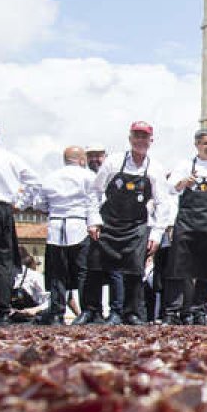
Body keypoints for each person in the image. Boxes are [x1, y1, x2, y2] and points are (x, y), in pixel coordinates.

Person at [80, 121, 168, 326]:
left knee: (134, 270)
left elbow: (163, 203)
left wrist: (156, 234)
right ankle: (91, 311)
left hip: (137, 224)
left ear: (150, 140)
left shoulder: (155, 168)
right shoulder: (113, 162)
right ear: (130, 139)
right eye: (136, 136)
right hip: (109, 222)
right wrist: (93, 220)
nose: (140, 140)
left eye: (144, 137)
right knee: (95, 267)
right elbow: (95, 191)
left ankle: (131, 313)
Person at [162, 129, 207, 324]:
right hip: (186, 221)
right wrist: (183, 183)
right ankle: (174, 311)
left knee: (206, 270)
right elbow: (169, 188)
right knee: (179, 267)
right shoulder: (185, 165)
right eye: (206, 143)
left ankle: (199, 310)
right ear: (197, 144)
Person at [28, 146, 93, 325]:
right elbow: (94, 201)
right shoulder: (88, 176)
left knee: (58, 273)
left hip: (56, 226)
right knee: (82, 272)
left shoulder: (50, 177)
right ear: (82, 160)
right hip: (80, 225)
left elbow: (39, 204)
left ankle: (57, 312)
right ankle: (86, 312)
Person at [0, 123, 42, 326]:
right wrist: (20, 205)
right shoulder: (9, 157)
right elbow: (36, 181)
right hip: (2, 207)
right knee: (2, 261)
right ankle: (3, 312)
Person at [6, 246, 48, 323]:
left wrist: (35, 310)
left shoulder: (35, 277)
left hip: (32, 318)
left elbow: (50, 300)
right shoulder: (4, 278)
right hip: (11, 318)